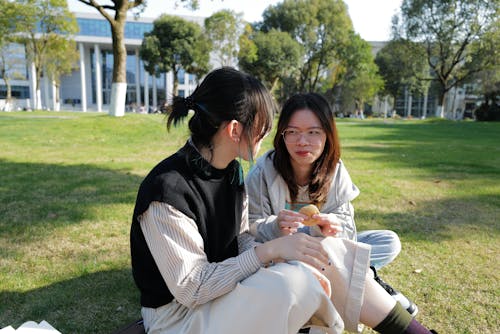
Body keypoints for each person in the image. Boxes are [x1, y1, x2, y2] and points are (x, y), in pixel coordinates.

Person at [130, 68, 436, 334]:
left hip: (224, 293)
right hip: (179, 320)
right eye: (264, 125)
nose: (268, 134)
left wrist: (281, 249)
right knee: (295, 282)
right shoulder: (166, 191)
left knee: (322, 252)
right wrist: (270, 251)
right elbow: (193, 288)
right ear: (235, 129)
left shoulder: (230, 174)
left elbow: (241, 241)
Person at [245, 93, 418, 317]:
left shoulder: (334, 171)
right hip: (283, 253)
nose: (302, 141)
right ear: (282, 135)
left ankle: (360, 275)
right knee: (291, 267)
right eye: (293, 132)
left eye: (313, 132)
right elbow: (250, 227)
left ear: (328, 135)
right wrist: (276, 225)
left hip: (325, 249)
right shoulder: (263, 172)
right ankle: (364, 279)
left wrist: (333, 225)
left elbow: (348, 228)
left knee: (388, 242)